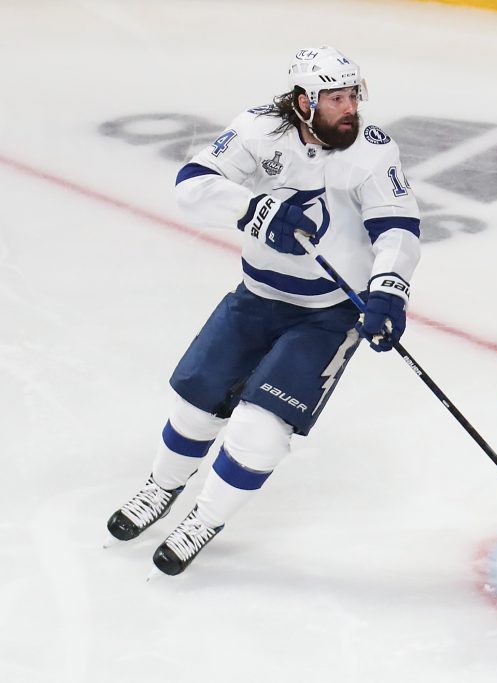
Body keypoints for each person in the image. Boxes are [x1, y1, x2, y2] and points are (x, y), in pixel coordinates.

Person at [106, 46, 421, 576]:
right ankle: (160, 488)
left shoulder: (372, 151)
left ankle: (205, 519)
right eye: (336, 99)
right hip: (257, 296)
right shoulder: (258, 131)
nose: (350, 108)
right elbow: (193, 185)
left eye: (353, 96)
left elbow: (397, 225)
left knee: (261, 427)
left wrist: (388, 290)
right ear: (304, 101)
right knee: (195, 400)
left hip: (327, 314)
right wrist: (253, 210)